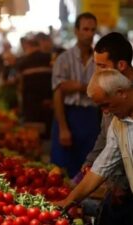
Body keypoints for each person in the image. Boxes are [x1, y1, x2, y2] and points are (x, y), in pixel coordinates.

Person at [55, 68, 133, 224]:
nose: (105, 112)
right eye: (101, 107)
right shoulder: (118, 124)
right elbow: (102, 167)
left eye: (106, 104)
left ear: (121, 93)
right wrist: (68, 201)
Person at [80, 32, 133, 225]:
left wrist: (122, 185)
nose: (97, 72)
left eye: (102, 66)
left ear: (121, 65)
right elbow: (107, 138)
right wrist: (91, 160)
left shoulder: (123, 99)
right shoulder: (108, 92)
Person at [51, 12, 101, 177]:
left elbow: (102, 91)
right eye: (85, 29)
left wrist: (76, 86)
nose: (89, 34)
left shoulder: (99, 61)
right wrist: (63, 128)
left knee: (88, 168)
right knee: (63, 169)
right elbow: (59, 92)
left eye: (92, 30)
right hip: (68, 115)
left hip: (92, 117)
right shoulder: (64, 59)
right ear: (76, 31)